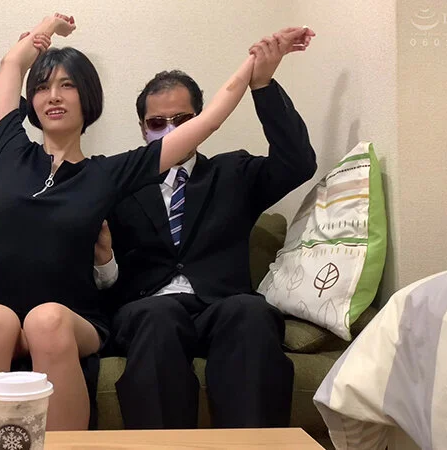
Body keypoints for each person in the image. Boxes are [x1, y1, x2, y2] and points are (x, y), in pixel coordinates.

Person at [0, 13, 311, 432]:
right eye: (42, 87)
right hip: (10, 310)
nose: (53, 95)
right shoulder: (8, 148)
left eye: (67, 85)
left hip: (70, 315)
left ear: (88, 98)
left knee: (47, 319)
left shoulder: (109, 174)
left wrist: (255, 66)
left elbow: (209, 120)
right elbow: (11, 64)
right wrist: (47, 29)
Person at [105, 28, 318, 429]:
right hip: (149, 309)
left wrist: (263, 87)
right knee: (157, 316)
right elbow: (103, 270)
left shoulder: (231, 172)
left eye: (183, 120)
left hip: (223, 305)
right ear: (142, 128)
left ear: (202, 121)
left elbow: (298, 164)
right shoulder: (119, 184)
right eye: (157, 122)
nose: (170, 131)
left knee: (251, 311)